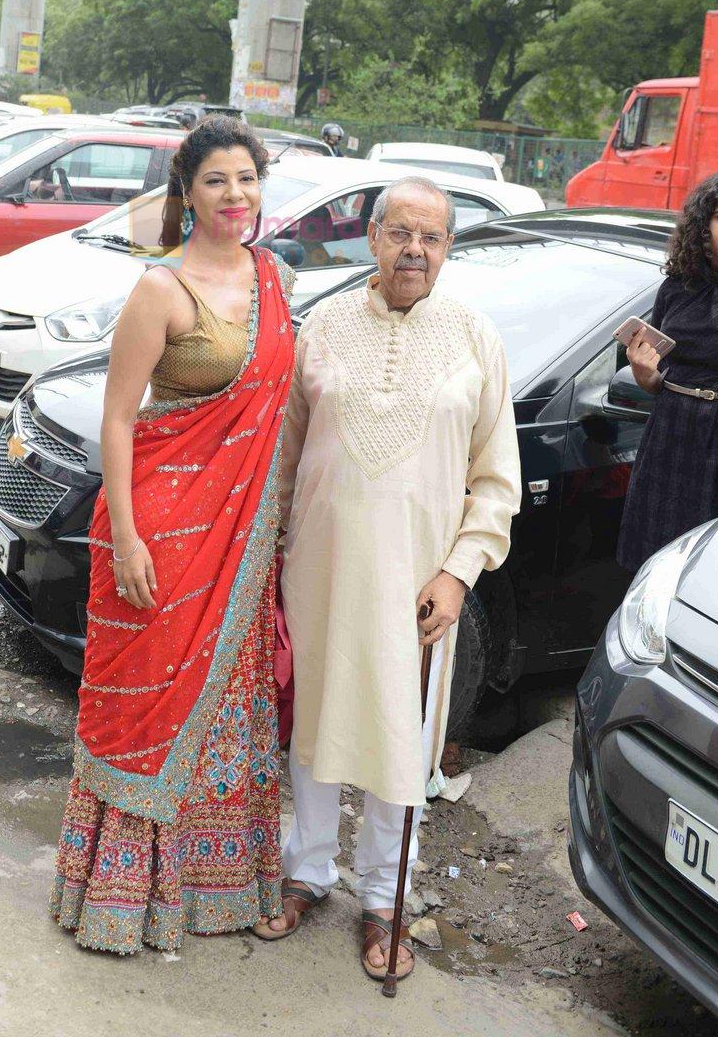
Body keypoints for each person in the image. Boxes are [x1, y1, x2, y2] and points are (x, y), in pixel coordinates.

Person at [255, 176, 520, 981]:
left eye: (431, 237)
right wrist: (270, 553)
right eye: (400, 233)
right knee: (313, 728)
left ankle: (383, 896)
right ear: (372, 239)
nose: (414, 249)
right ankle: (306, 871)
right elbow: (284, 455)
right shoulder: (325, 325)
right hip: (320, 570)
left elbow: (496, 477)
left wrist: (459, 572)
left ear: (446, 248)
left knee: (396, 736)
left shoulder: (476, 337)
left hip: (418, 587)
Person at [50, 116, 296, 955]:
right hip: (160, 522)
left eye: (247, 180)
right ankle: (119, 896)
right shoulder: (160, 288)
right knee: (146, 699)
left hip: (242, 530)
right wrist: (124, 538)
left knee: (228, 696)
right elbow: (117, 419)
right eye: (218, 181)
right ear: (187, 193)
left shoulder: (275, 279)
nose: (236, 196)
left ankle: (214, 888)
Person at [617, 169, 718, 572]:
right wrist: (643, 373)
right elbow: (662, 381)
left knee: (708, 567)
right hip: (667, 438)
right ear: (704, 222)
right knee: (652, 562)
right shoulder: (679, 284)